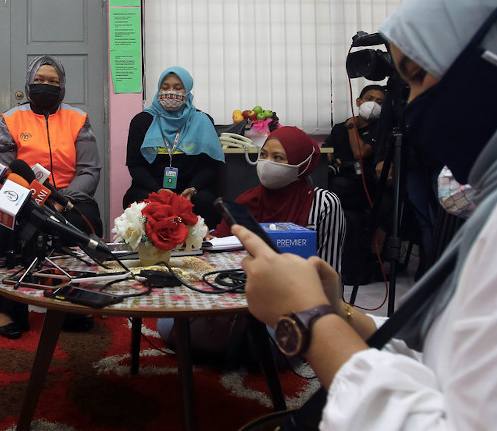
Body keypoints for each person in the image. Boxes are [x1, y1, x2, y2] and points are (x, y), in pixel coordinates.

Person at [234, 0, 497, 431]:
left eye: (415, 75)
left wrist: (311, 320)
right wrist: (342, 312)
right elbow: (460, 371)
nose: (410, 106)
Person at [0, 55, 103, 338]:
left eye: (53, 82)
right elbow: (1, 172)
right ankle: (7, 308)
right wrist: (35, 199)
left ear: (62, 86)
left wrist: (63, 200)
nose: (46, 86)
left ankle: (74, 305)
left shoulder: (78, 119)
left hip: (69, 196)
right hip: (23, 195)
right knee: (8, 223)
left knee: (87, 219)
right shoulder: (9, 119)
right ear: (29, 83)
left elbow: (89, 170)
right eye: (39, 80)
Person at [214, 126, 346, 272]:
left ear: (301, 163)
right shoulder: (246, 201)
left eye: (278, 157)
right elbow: (218, 245)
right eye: (263, 155)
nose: (267, 163)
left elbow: (330, 272)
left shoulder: (323, 204)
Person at [122, 66, 225, 229]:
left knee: (206, 201)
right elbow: (135, 165)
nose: (171, 92)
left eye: (178, 88)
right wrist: (158, 190)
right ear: (159, 89)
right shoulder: (142, 121)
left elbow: (210, 166)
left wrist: (192, 189)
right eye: (165, 87)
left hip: (190, 190)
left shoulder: (202, 121)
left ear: (187, 90)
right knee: (137, 200)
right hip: (152, 188)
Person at [327, 85, 386, 283]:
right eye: (370, 99)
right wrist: (331, 158)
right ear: (359, 102)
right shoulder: (339, 128)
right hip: (338, 181)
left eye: (380, 102)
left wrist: (352, 127)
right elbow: (326, 151)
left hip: (362, 187)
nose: (374, 105)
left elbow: (358, 153)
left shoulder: (380, 131)